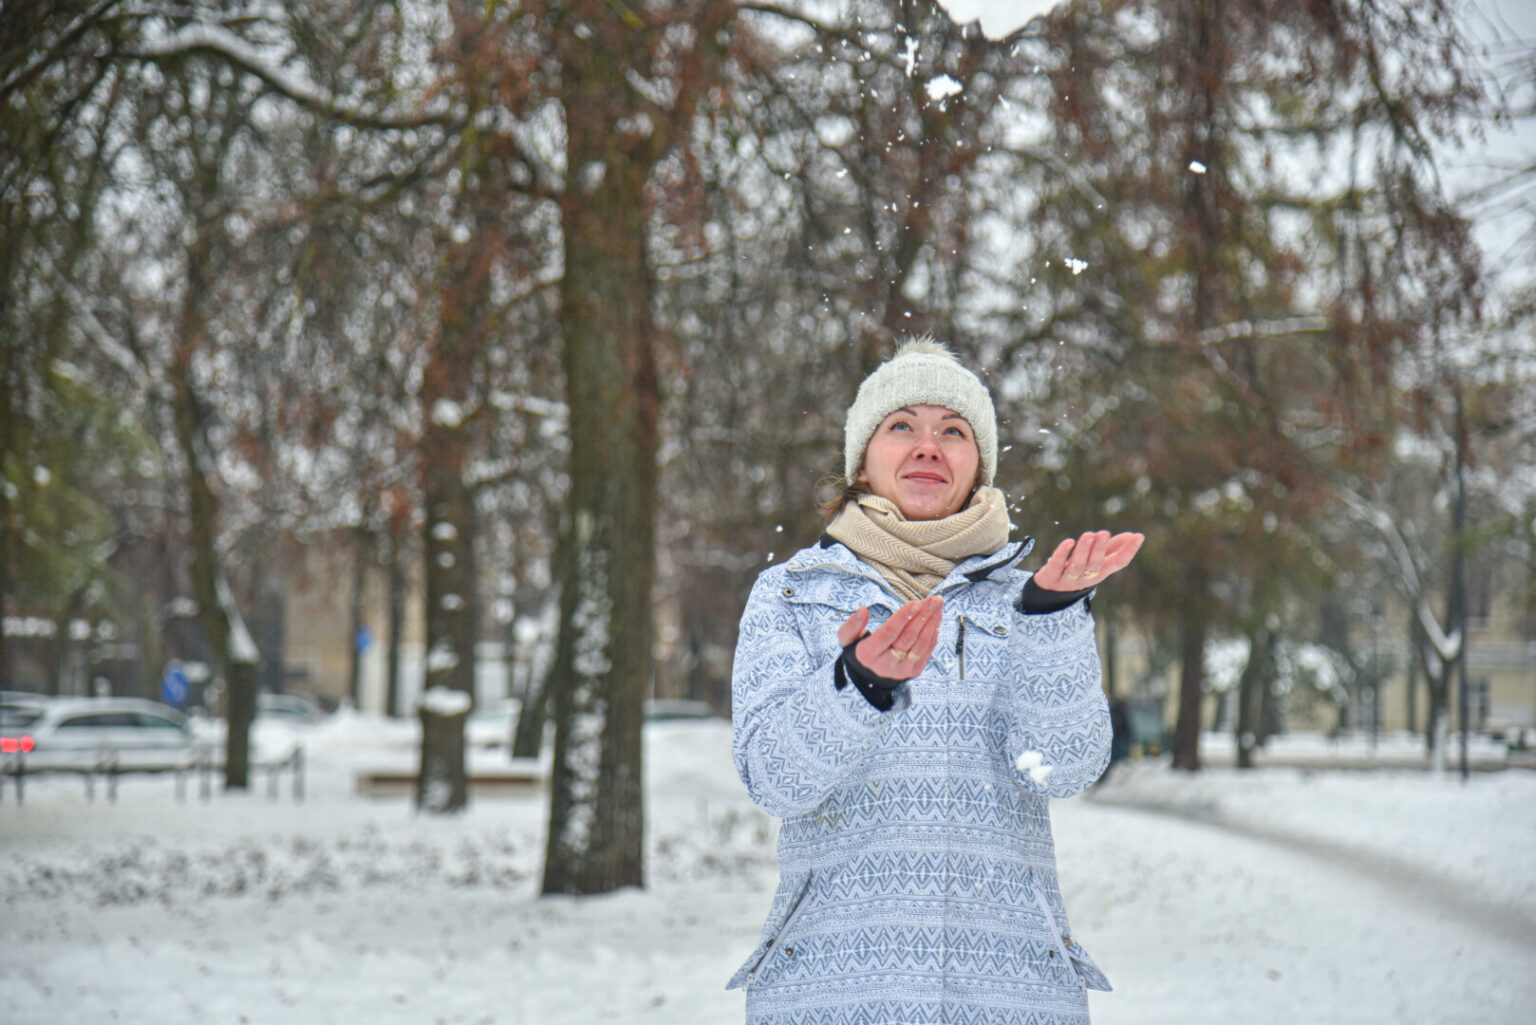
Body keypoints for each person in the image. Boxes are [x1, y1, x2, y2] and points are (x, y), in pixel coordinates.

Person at [727, 337, 1144, 1025]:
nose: (929, 446)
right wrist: (855, 686)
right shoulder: (792, 594)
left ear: (978, 463)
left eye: (953, 430)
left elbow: (1063, 768)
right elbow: (775, 778)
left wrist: (1051, 619)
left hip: (1009, 995)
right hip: (835, 993)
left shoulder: (1030, 598)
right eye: (902, 427)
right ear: (862, 459)